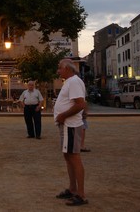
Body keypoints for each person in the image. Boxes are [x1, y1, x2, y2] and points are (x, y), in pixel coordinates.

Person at [53, 59, 88, 206]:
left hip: (71, 125)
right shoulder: (69, 81)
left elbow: (81, 104)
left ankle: (81, 194)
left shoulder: (74, 81)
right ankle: (73, 188)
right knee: (68, 156)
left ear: (67, 69)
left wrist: (62, 116)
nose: (58, 71)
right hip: (67, 126)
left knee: (74, 157)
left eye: (60, 68)